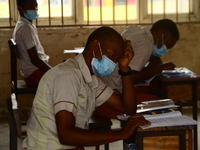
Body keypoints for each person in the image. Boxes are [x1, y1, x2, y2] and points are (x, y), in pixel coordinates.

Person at [22, 27, 150, 150]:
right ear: (94, 46)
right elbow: (66, 135)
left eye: (116, 61)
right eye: (111, 55)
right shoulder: (68, 75)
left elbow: (128, 108)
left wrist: (125, 69)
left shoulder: (91, 80)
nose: (113, 63)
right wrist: (121, 134)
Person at [99, 19, 179, 93]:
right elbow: (129, 78)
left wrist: (154, 66)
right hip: (111, 88)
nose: (165, 50)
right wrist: (160, 69)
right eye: (167, 45)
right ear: (160, 34)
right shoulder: (146, 44)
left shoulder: (137, 31)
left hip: (103, 80)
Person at [12, 0, 52, 87]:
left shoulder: (24, 25)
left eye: (35, 6)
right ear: (20, 8)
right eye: (29, 6)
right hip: (34, 73)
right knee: (64, 81)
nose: (34, 9)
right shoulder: (25, 28)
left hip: (31, 72)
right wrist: (52, 71)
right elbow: (35, 60)